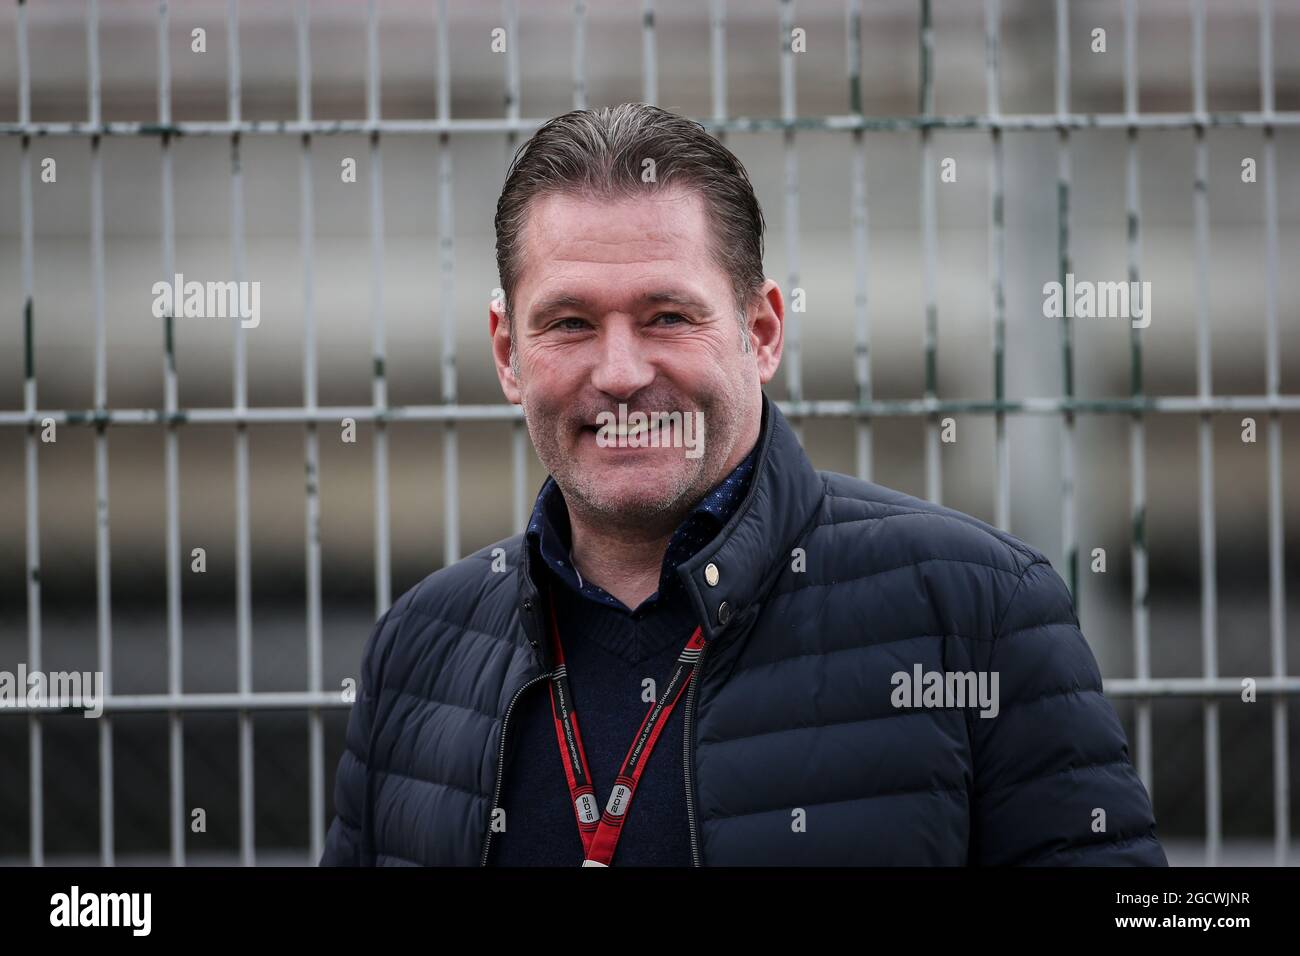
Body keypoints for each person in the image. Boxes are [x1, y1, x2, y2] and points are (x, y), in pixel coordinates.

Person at [321, 103, 1167, 867]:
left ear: (760, 332)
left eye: (667, 316)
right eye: (570, 323)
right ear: (508, 352)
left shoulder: (977, 611)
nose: (619, 373)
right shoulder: (418, 651)